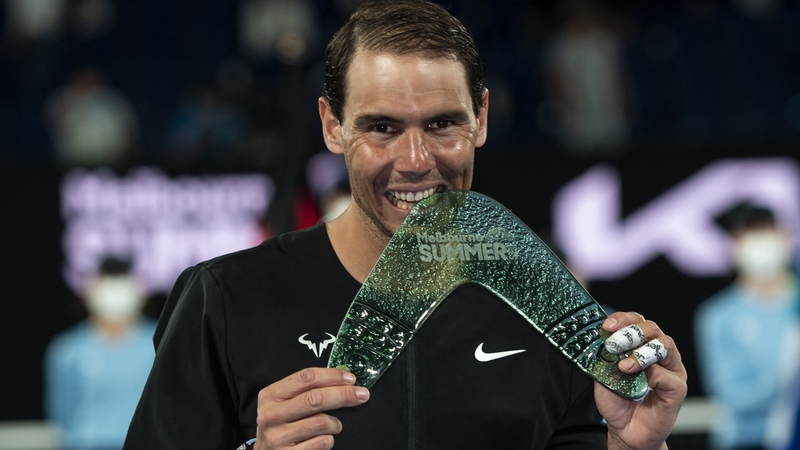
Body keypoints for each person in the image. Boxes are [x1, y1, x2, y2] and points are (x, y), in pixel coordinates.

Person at [124, 2, 687, 449]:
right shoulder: (224, 298)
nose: (416, 159)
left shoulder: (543, 310)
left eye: (443, 124)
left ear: (482, 117)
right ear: (332, 126)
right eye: (382, 127)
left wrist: (635, 448)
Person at [696, 205, 800, 450]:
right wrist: (789, 381)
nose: (761, 242)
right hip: (748, 441)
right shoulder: (718, 315)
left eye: (768, 231)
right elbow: (734, 398)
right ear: (734, 244)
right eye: (750, 234)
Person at [45, 257, 156, 450]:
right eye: (107, 279)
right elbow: (62, 413)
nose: (115, 289)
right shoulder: (68, 350)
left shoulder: (160, 343)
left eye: (122, 279)